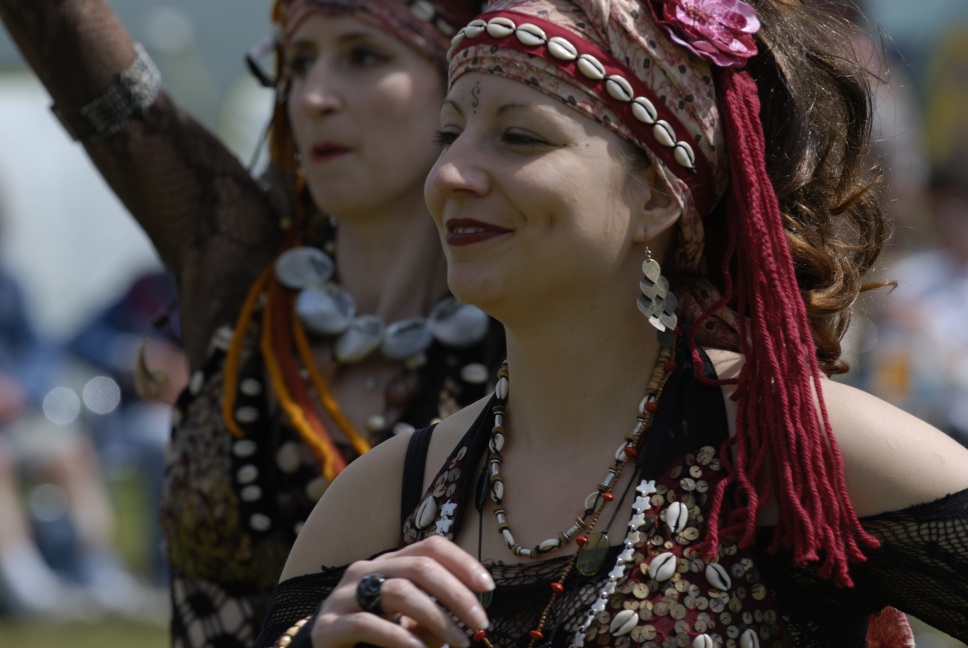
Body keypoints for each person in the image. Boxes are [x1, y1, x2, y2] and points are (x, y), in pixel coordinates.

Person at [254, 0, 968, 647]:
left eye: (520, 138)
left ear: (658, 195)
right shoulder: (386, 498)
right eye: (449, 133)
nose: (449, 175)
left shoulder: (785, 451)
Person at [0, 0, 500, 645]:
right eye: (297, 62)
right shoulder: (239, 273)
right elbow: (73, 46)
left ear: (461, 84)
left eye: (364, 55)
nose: (314, 95)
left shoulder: (527, 323)